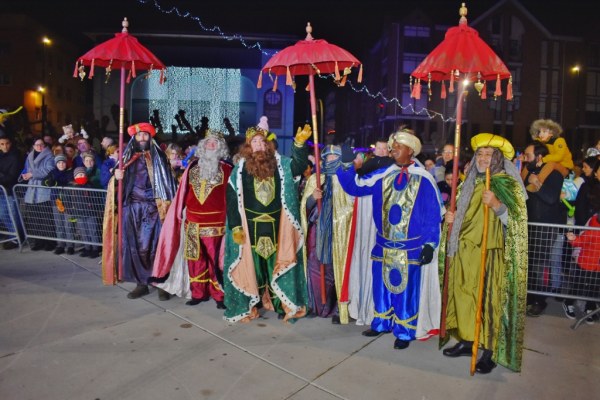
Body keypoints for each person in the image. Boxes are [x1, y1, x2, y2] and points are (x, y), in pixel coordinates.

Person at [336, 129, 443, 350]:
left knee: (406, 291)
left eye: (398, 146)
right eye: (392, 146)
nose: (393, 149)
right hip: (383, 244)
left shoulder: (424, 179)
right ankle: (381, 321)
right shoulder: (384, 174)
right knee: (381, 287)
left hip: (410, 248)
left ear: (410, 151)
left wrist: (430, 245)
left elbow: (432, 214)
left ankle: (404, 331)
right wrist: (347, 164)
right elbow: (355, 187)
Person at [441, 133, 528, 374]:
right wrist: (449, 219)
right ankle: (469, 341)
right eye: (480, 154)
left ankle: (489, 351)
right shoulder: (469, 182)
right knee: (466, 298)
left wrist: (498, 206)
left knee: (489, 302)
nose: (483, 158)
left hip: (491, 255)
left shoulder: (506, 184)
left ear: (498, 158)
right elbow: (459, 214)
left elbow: (519, 225)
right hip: (466, 253)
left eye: (489, 154)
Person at [223, 123, 311, 323]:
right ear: (248, 147)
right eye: (254, 142)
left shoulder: (281, 164)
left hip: (277, 227)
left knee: (276, 266)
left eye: (262, 141)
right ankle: (251, 304)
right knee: (253, 268)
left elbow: (298, 166)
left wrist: (299, 145)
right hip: (250, 228)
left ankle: (280, 304)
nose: (259, 145)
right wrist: (236, 226)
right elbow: (231, 199)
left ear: (268, 145)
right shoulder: (239, 170)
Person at [151, 131, 232, 309]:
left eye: (215, 143)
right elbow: (182, 193)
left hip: (216, 224)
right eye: (208, 142)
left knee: (215, 261)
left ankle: (219, 295)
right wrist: (178, 213)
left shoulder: (227, 169)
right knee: (195, 259)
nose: (211, 145)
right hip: (193, 223)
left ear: (221, 148)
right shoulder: (192, 167)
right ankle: (198, 293)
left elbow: (232, 198)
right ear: (203, 146)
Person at [102, 122, 177, 300]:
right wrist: (116, 177)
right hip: (133, 209)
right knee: (135, 248)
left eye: (145, 135)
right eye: (139, 135)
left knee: (158, 247)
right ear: (134, 138)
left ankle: (161, 284)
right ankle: (141, 283)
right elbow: (115, 185)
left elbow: (169, 182)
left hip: (155, 209)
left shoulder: (159, 156)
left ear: (150, 137)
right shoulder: (126, 157)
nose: (142, 138)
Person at [300, 145, 355, 323]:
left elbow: (351, 207)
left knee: (337, 270)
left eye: (334, 156)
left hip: (339, 233)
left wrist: (339, 219)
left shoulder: (346, 178)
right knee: (314, 268)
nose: (330, 160)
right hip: (317, 232)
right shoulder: (316, 179)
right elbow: (304, 208)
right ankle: (315, 305)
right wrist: (312, 198)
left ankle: (338, 308)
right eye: (328, 157)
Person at [523, 143, 567, 316]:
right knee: (530, 264)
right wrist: (531, 179)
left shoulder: (554, 174)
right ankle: (530, 297)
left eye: (528, 155)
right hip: (530, 226)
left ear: (539, 157)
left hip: (546, 228)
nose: (526, 159)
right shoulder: (528, 174)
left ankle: (539, 301)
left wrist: (536, 184)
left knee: (540, 266)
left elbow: (550, 198)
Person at [20, 138, 57, 251]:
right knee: (34, 218)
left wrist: (32, 174)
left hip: (43, 189)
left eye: (41, 145)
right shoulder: (29, 156)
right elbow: (26, 169)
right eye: (37, 145)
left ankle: (50, 242)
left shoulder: (49, 156)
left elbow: (49, 169)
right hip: (32, 190)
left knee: (46, 218)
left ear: (45, 146)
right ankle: (38, 241)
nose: (39, 147)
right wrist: (24, 175)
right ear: (33, 146)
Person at [523, 119, 573, 192]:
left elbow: (559, 157)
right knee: (530, 164)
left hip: (564, 167)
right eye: (539, 132)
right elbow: (534, 144)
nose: (540, 134)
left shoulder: (559, 141)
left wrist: (543, 160)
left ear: (552, 133)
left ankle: (537, 184)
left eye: (544, 132)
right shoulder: (543, 141)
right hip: (552, 164)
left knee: (551, 164)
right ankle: (520, 181)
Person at [43, 154, 74, 255]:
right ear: (56, 164)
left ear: (66, 163)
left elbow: (68, 182)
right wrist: (50, 182)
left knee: (68, 224)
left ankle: (70, 246)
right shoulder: (52, 172)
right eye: (59, 162)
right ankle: (61, 244)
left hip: (67, 201)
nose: (61, 164)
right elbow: (44, 182)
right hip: (55, 201)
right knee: (59, 224)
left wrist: (56, 183)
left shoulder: (69, 172)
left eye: (63, 162)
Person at [0, 134, 24, 249]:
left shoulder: (15, 157)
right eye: (2, 144)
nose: (5, 146)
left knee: (14, 215)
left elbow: (12, 176)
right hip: (2, 191)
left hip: (10, 191)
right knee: (4, 215)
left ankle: (18, 238)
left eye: (7, 143)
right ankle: (13, 236)